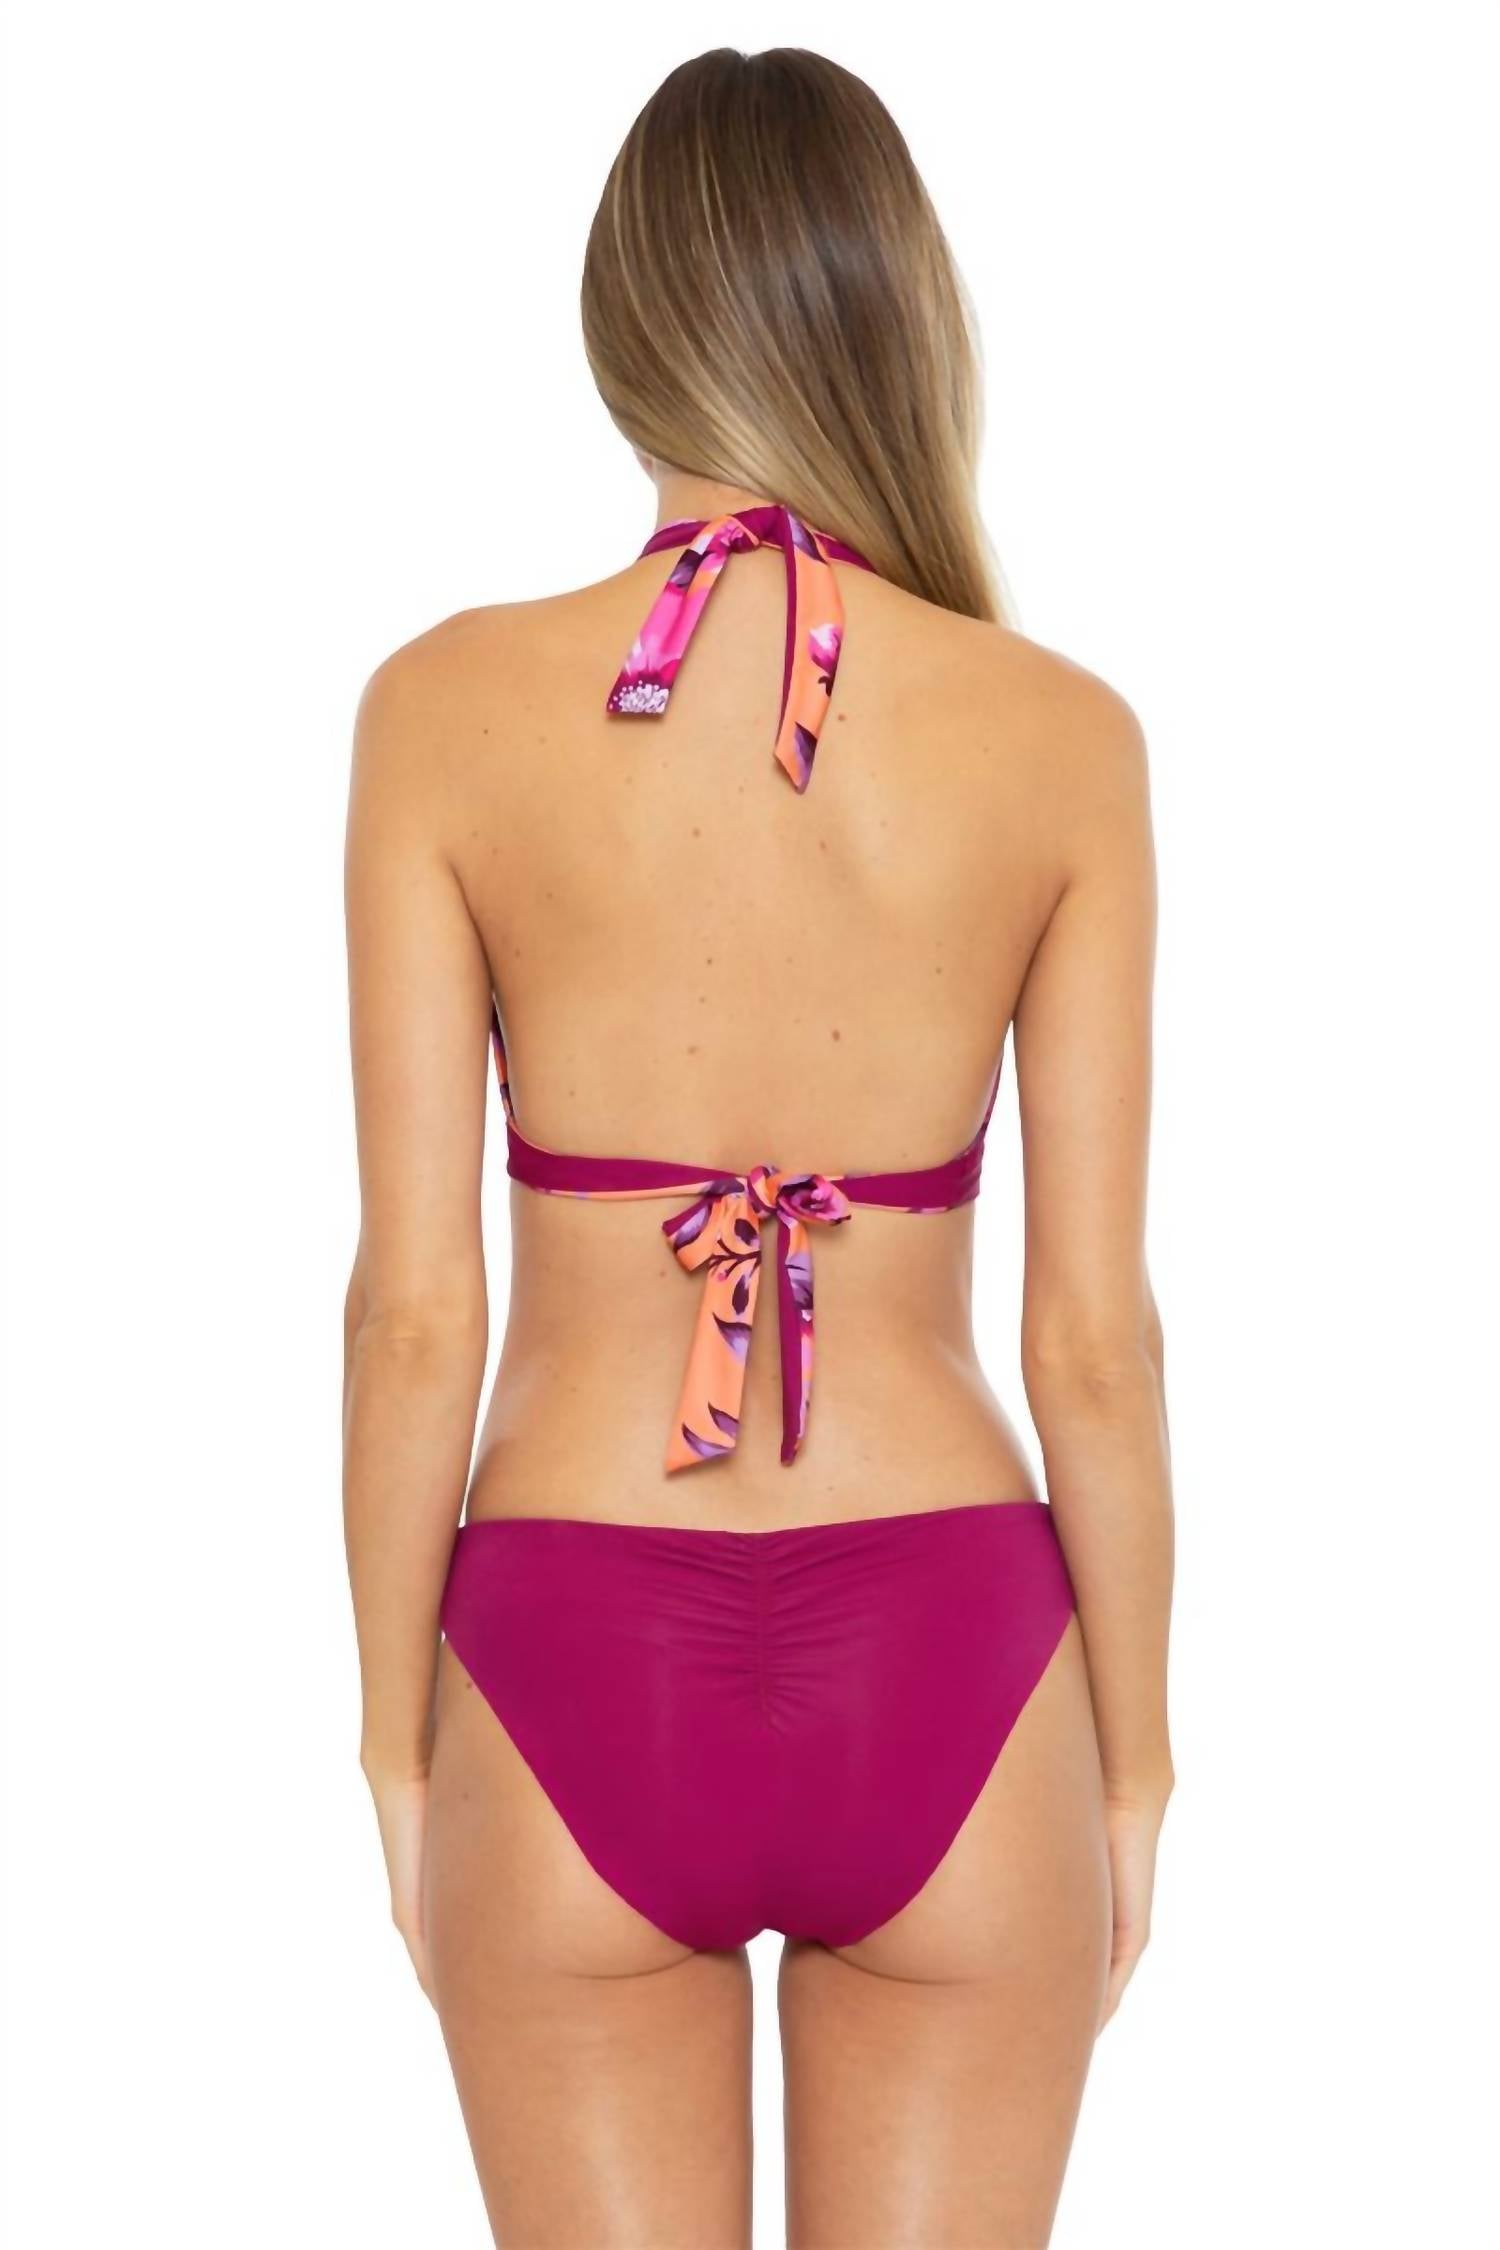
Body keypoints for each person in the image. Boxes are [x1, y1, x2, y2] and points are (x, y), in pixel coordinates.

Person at [342, 44, 1173, 2249]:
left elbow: (413, 1313)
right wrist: (1140, 1764)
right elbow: (1093, 1344)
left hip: (568, 1648)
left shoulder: (439, 711)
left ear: (620, 323)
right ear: (901, 314)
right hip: (956, 1663)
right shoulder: (1064, 739)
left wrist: (397, 1748)